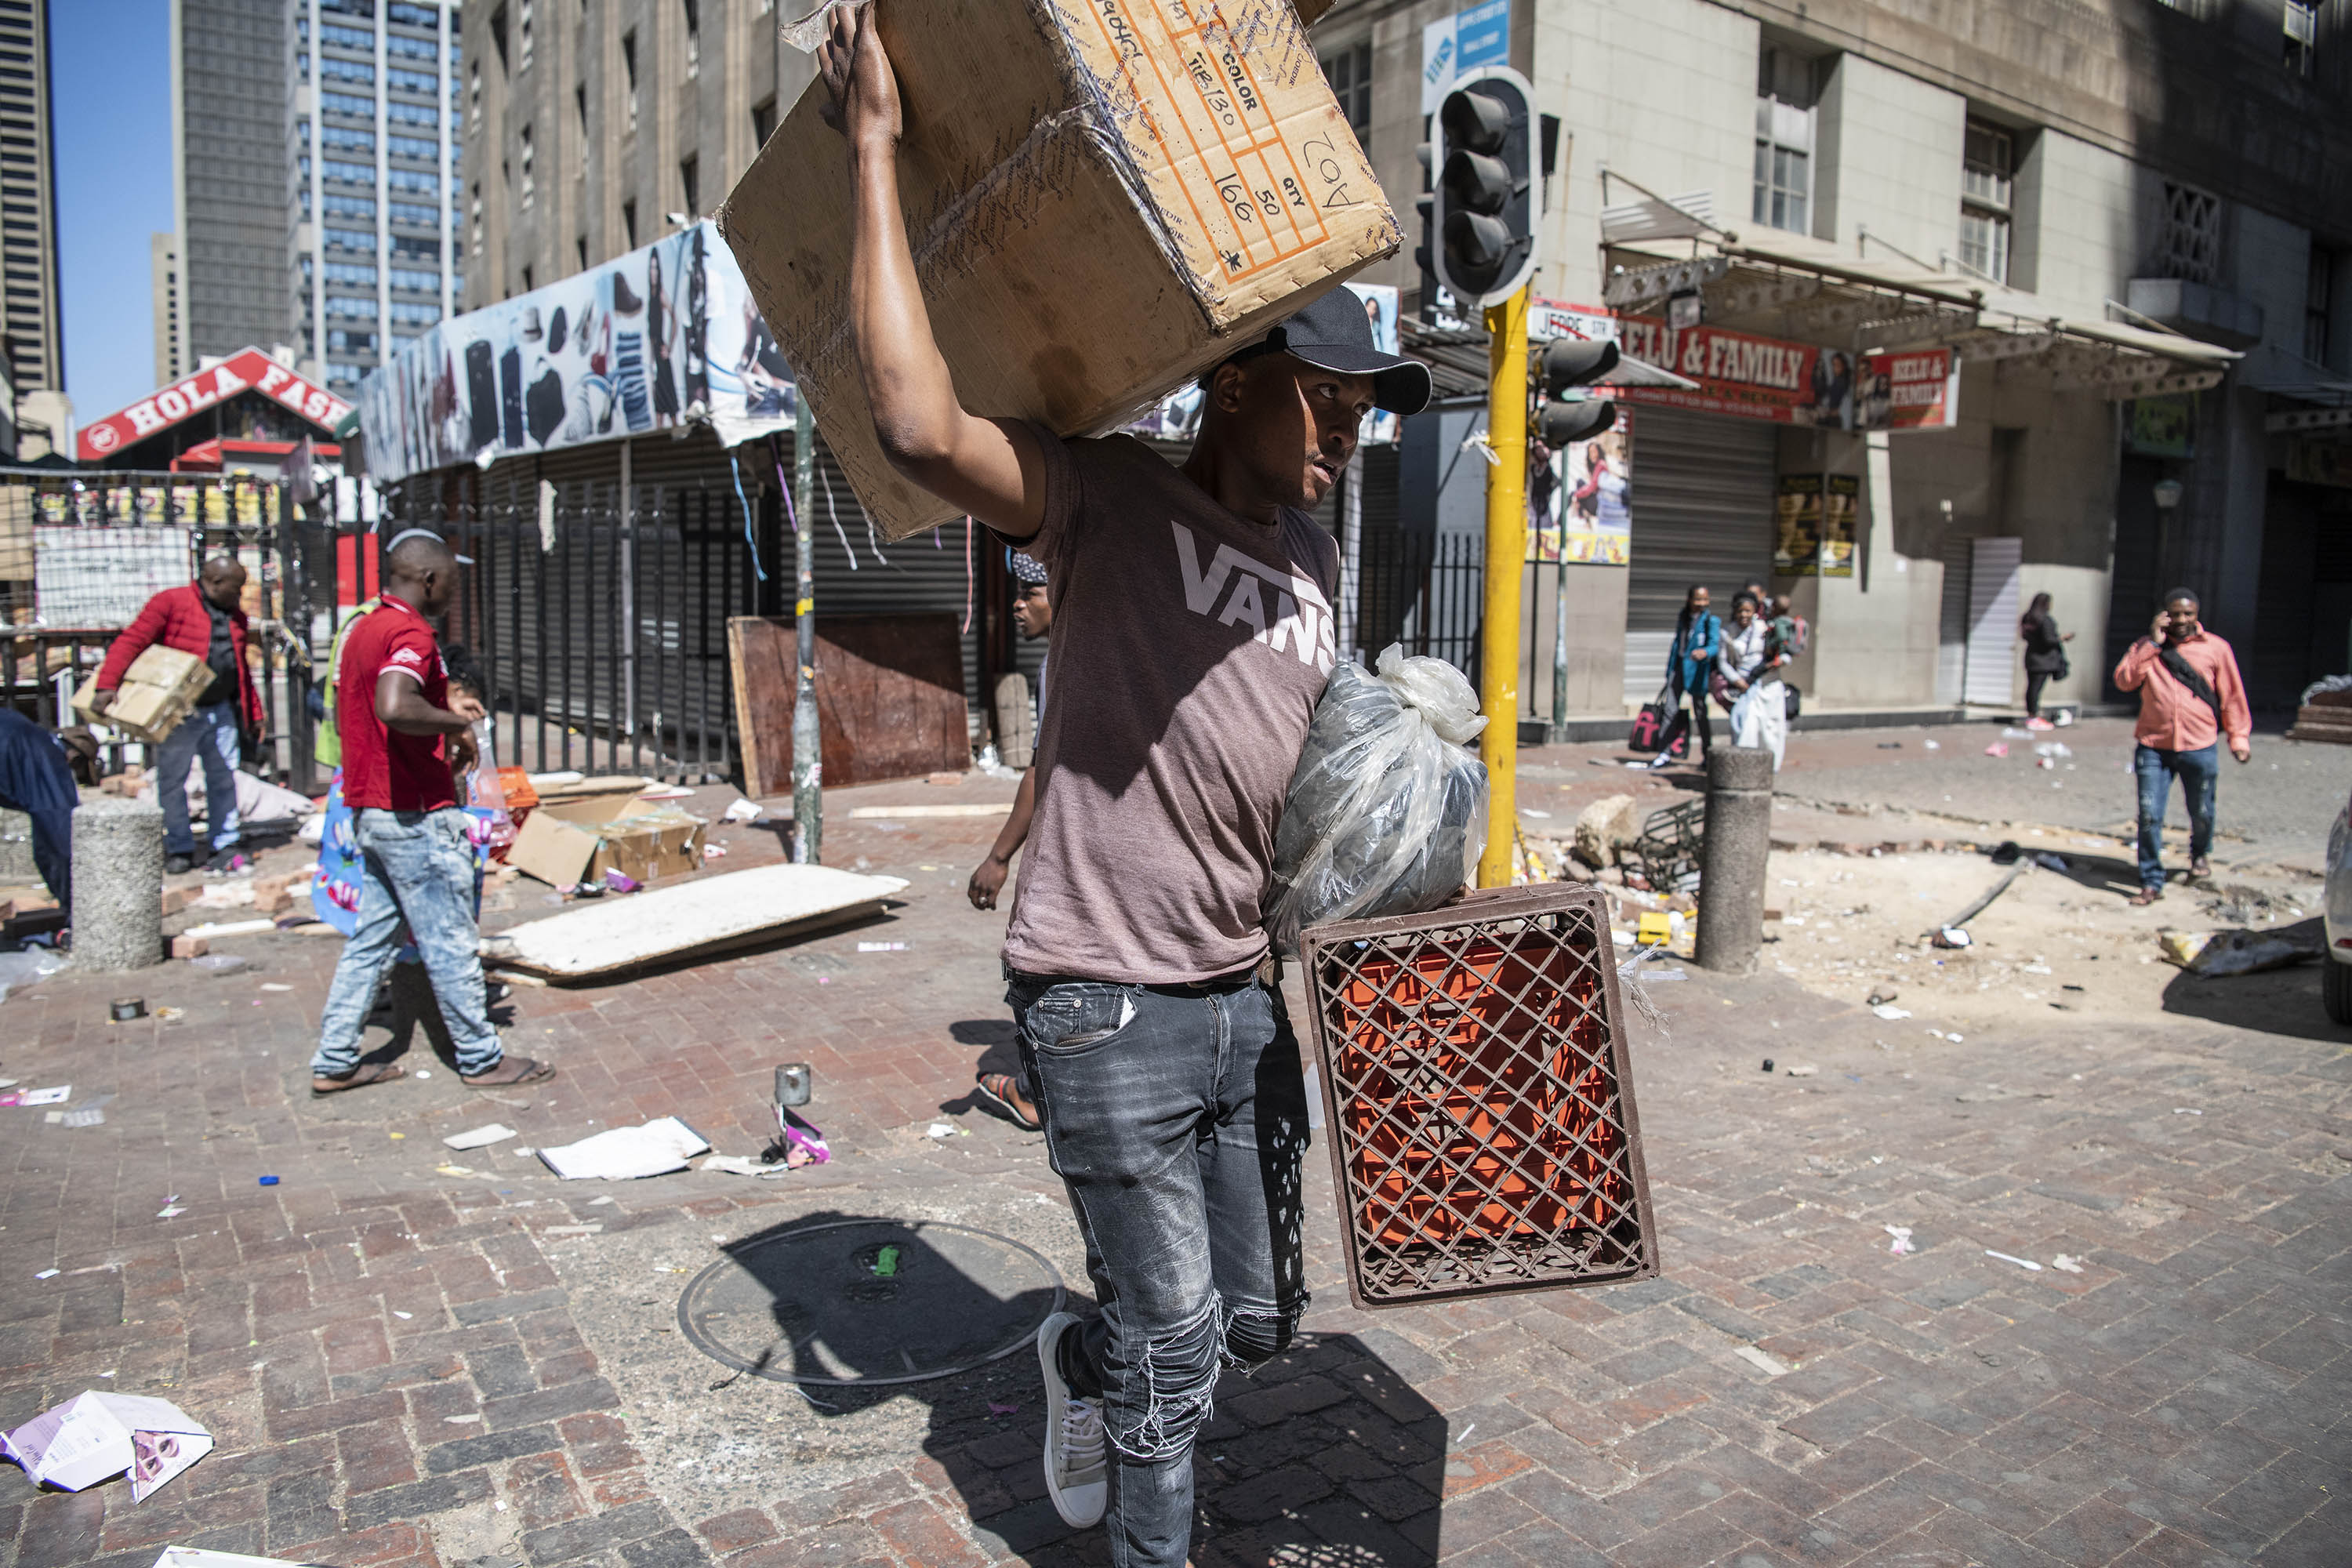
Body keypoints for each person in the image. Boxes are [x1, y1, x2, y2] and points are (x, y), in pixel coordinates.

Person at [818, 9, 1432, 1559]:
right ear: (1236, 382)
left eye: (1368, 410)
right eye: (1330, 397)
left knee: (1248, 1318)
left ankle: (1071, 1353)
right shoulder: (1109, 502)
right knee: (1176, 1363)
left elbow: (1300, 767)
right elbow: (914, 422)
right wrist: (879, 147)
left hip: (1242, 995)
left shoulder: (1315, 549)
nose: (1351, 432)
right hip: (1104, 1000)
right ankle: (1129, 1427)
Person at [309, 532, 554, 1094]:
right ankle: (480, 1057)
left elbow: (382, 700)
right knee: (449, 939)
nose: (453, 590)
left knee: (372, 940)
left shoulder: (364, 627)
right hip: (413, 813)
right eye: (452, 581)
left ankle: (335, 1058)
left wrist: (444, 707)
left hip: (372, 807)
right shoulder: (410, 632)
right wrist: (458, 726)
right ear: (428, 579)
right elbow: (394, 705)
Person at [92, 555, 261, 875]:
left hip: (221, 709)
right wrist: (107, 684)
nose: (239, 595)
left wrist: (255, 711)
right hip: (181, 711)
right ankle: (179, 845)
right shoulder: (171, 603)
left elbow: (240, 668)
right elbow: (132, 641)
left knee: (224, 777)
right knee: (172, 779)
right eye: (234, 588)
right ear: (214, 583)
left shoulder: (235, 616)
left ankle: (224, 843)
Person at [970, 551, 1053, 1133]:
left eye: (1030, 592)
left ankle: (1032, 1093)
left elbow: (1040, 771)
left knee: (1034, 966)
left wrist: (999, 857)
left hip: (1072, 854)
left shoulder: (1065, 663)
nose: (1018, 606)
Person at [2113, 587, 2251, 906]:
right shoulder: (2146, 648)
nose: (2181, 620)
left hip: (2199, 744)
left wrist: (2238, 737)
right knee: (2149, 814)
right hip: (2153, 745)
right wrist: (2151, 645)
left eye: (2187, 614)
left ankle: (2200, 854)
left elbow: (2232, 696)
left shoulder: (2216, 649)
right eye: (2175, 614)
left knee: (2202, 810)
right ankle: (2151, 880)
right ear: (2164, 615)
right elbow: (2124, 681)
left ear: (2197, 615)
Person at [0, 709, 76, 910]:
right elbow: (62, 847)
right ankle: (76, 912)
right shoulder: (41, 754)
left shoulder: (24, 732)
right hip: (15, 746)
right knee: (61, 841)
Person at [1646, 585, 1719, 770]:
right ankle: (1664, 753)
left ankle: (1707, 755)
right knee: (1669, 711)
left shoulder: (1712, 621)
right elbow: (1678, 642)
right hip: (1678, 670)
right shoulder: (1683, 617)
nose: (1702, 604)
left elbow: (1715, 645)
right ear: (1689, 600)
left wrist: (1705, 652)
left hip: (1697, 673)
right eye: (1698, 599)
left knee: (1701, 714)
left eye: (1705, 600)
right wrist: (1670, 671)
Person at [1719, 590, 1788, 768]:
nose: (1744, 615)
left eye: (1748, 611)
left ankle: (1768, 770)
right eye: (1740, 611)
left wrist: (1779, 661)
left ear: (1754, 612)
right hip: (1744, 687)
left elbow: (1784, 651)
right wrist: (1737, 681)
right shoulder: (1727, 633)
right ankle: (1743, 770)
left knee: (1770, 732)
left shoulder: (1765, 628)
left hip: (1768, 685)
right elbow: (1723, 662)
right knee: (1743, 727)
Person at [2019, 591, 2074, 729]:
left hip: (2032, 657)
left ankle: (2031, 715)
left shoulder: (2028, 618)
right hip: (2043, 660)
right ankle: (2033, 717)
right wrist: (2062, 639)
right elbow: (2049, 640)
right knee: (2036, 688)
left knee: (2032, 688)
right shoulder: (2044, 620)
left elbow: (2025, 636)